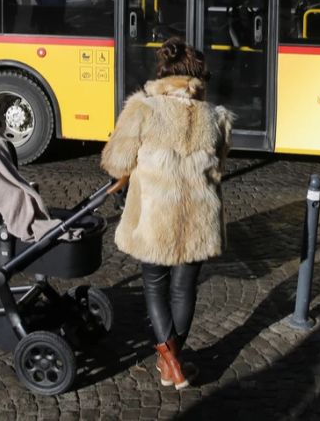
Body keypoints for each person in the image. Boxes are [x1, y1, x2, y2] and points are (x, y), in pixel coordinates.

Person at [100, 37, 233, 389]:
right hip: (199, 218)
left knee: (155, 285)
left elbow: (116, 162)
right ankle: (173, 360)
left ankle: (169, 361)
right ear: (198, 78)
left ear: (164, 74)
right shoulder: (216, 118)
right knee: (184, 289)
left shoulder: (144, 109)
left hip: (155, 216)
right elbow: (218, 170)